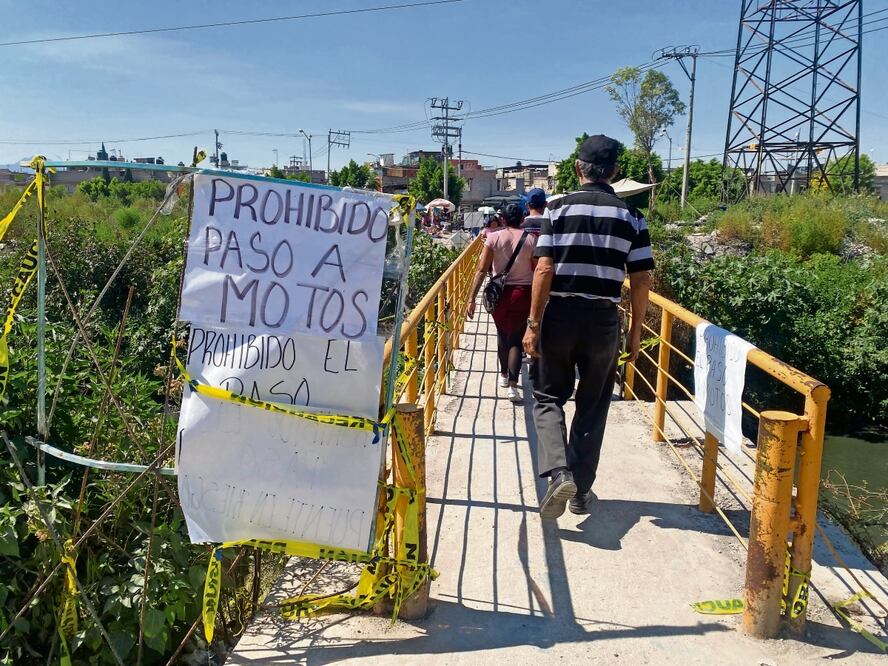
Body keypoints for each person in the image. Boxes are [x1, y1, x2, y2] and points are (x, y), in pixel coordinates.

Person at [523, 134, 653, 519]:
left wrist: (533, 324)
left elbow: (544, 268)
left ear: (579, 168)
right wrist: (634, 333)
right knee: (593, 405)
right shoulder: (632, 217)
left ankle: (559, 472)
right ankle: (580, 490)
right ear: (614, 172)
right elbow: (642, 280)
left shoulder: (557, 209)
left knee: (548, 397)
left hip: (559, 315)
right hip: (603, 321)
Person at [467, 203, 537, 403]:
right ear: (522, 220)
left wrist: (471, 298)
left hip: (498, 294)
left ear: (503, 220)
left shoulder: (493, 238)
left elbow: (481, 269)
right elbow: (537, 270)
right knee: (516, 338)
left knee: (501, 333)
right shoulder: (532, 240)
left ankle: (503, 375)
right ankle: (513, 387)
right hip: (523, 294)